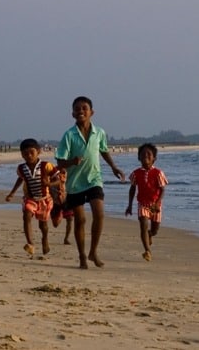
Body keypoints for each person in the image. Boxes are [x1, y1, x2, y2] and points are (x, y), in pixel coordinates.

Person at [55, 96, 125, 269]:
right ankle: (82, 256)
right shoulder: (68, 135)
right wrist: (72, 162)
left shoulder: (99, 132)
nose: (81, 111)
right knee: (80, 220)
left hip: (94, 179)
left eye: (84, 108)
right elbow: (59, 162)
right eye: (77, 108)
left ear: (91, 112)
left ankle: (93, 251)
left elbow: (104, 151)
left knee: (99, 214)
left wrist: (114, 167)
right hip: (75, 183)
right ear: (72, 114)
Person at [5, 138, 60, 256]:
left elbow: (58, 180)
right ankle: (30, 243)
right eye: (25, 154)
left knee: (43, 225)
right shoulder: (21, 168)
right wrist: (12, 193)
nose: (29, 156)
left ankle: (45, 239)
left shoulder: (46, 166)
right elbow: (20, 179)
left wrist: (49, 184)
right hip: (30, 198)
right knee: (26, 216)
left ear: (38, 152)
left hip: (44, 200)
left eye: (31, 152)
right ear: (22, 155)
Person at [125, 143, 168, 261]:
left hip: (155, 205)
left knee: (154, 230)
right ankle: (147, 251)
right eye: (143, 154)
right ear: (139, 157)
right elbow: (132, 189)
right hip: (142, 204)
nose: (146, 156)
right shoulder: (136, 173)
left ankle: (150, 234)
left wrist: (157, 203)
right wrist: (129, 205)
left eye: (149, 154)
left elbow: (162, 190)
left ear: (154, 158)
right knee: (143, 225)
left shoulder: (159, 173)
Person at [50, 167, 74, 245]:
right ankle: (60, 214)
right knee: (55, 224)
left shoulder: (70, 172)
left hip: (66, 199)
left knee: (70, 219)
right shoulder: (53, 172)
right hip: (55, 201)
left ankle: (66, 238)